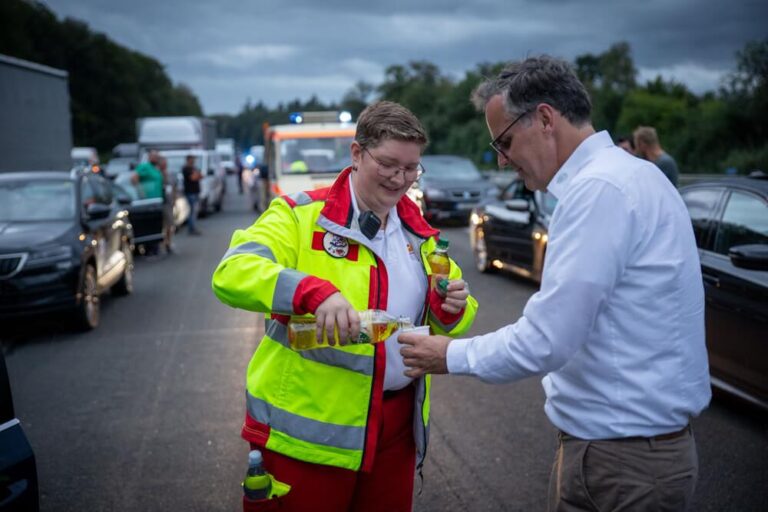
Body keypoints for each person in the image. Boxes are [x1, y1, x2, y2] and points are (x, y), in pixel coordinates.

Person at [398, 56, 711, 512]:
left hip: (620, 462)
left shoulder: (598, 190)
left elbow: (547, 340)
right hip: (634, 452)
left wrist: (447, 355)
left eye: (504, 142)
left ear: (545, 118)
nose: (502, 162)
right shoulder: (635, 176)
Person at [212, 101, 477, 512]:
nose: (399, 179)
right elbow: (232, 272)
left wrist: (451, 306)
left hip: (395, 432)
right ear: (356, 154)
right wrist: (309, 291)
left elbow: (458, 314)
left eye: (411, 169)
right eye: (388, 164)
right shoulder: (300, 216)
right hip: (306, 442)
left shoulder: (421, 234)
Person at [158, 156, 176, 253]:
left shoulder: (169, 174)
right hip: (160, 203)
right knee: (163, 224)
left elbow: (173, 188)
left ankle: (168, 242)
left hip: (168, 203)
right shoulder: (157, 174)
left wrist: (174, 199)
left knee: (169, 224)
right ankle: (163, 242)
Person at [181, 154, 202, 235]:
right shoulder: (186, 168)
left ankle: (192, 228)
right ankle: (191, 229)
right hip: (190, 192)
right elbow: (193, 178)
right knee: (192, 211)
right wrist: (197, 175)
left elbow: (200, 176)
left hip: (195, 191)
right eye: (192, 159)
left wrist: (197, 175)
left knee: (194, 211)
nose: (194, 160)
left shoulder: (193, 168)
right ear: (188, 159)